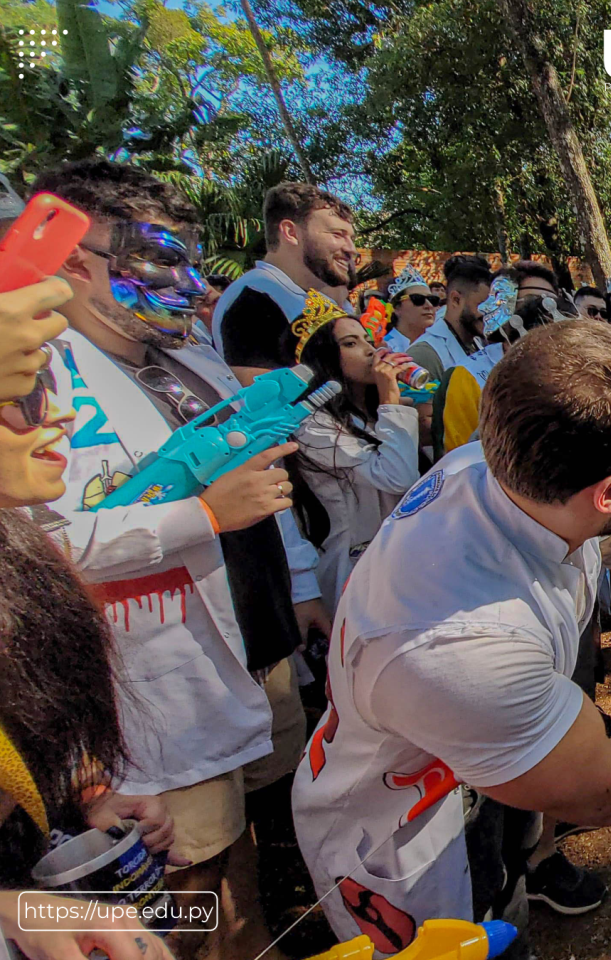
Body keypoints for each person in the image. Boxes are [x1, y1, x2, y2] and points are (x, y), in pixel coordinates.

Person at [292, 319, 611, 960]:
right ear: (607, 492)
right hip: (416, 849)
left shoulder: (500, 470)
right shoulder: (464, 649)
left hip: (473, 777)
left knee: (511, 902)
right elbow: (606, 787)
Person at [27, 159, 323, 960]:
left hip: (253, 647)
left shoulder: (185, 362)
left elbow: (262, 467)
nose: (189, 284)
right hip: (156, 695)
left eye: (192, 259)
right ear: (69, 260)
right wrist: (195, 516)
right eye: (157, 261)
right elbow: (35, 549)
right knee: (186, 894)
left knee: (245, 858)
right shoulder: (35, 383)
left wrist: (294, 581)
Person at [0, 357, 179, 960]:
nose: (63, 410)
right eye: (23, 393)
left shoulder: (19, 545)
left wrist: (89, 796)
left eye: (51, 385)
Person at [289, 291, 420, 614]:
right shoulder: (312, 424)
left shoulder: (371, 412)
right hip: (351, 567)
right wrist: (390, 396)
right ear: (324, 359)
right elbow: (397, 477)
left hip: (399, 558)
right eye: (350, 344)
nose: (370, 350)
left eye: (367, 339)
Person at [212, 183, 356, 383]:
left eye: (351, 238)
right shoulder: (254, 297)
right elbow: (262, 400)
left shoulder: (306, 296)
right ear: (290, 232)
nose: (351, 249)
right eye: (337, 235)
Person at [432, 264, 564, 457]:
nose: (542, 310)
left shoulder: (571, 368)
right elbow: (457, 462)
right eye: (530, 300)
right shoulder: (468, 377)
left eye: (550, 302)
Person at [407, 255, 492, 382]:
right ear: (455, 300)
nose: (490, 314)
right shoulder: (426, 356)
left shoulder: (477, 344)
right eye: (484, 305)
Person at [383, 266, 438, 353]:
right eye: (417, 299)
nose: (429, 305)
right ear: (396, 307)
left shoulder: (440, 346)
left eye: (432, 300)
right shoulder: (385, 348)